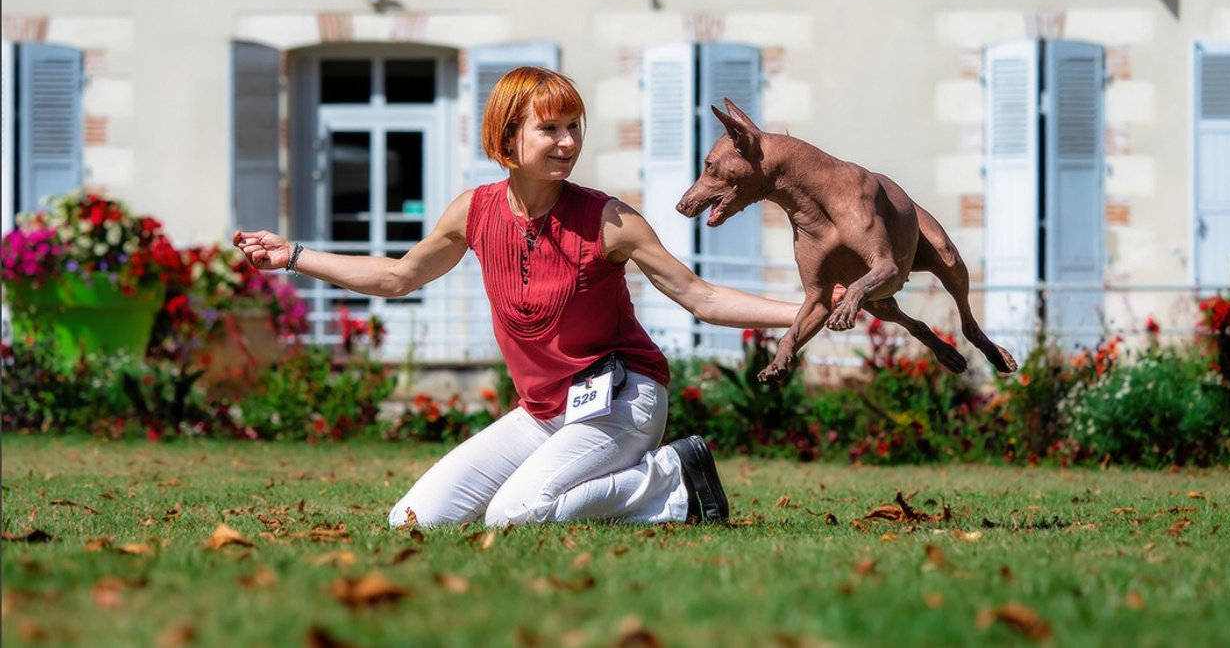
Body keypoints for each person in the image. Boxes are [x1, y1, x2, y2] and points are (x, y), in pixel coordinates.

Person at [234, 66, 806, 527]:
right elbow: (397, 277)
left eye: (575, 126)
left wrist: (807, 313)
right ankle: (637, 488)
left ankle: (673, 482)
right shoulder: (473, 211)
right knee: (410, 520)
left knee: (514, 514)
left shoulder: (609, 220)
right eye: (550, 128)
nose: (568, 141)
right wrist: (292, 255)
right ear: (509, 137)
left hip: (624, 400)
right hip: (541, 413)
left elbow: (699, 297)